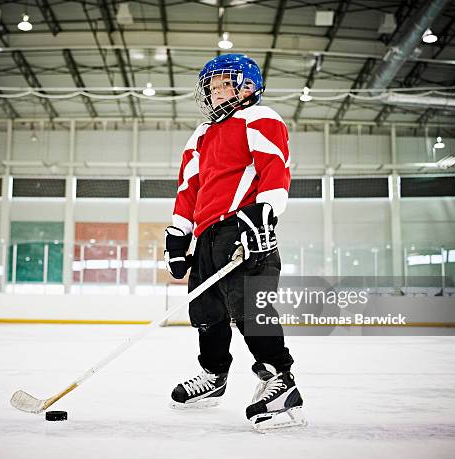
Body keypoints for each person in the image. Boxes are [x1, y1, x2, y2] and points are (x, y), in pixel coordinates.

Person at [163, 54, 306, 431]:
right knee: (207, 312)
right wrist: (178, 233)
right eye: (210, 86)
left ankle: (280, 379)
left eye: (222, 82)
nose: (213, 90)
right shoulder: (200, 135)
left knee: (248, 305)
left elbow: (275, 166)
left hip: (243, 228)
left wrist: (265, 211)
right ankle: (213, 377)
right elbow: (188, 188)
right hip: (206, 236)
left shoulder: (260, 118)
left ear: (246, 85)